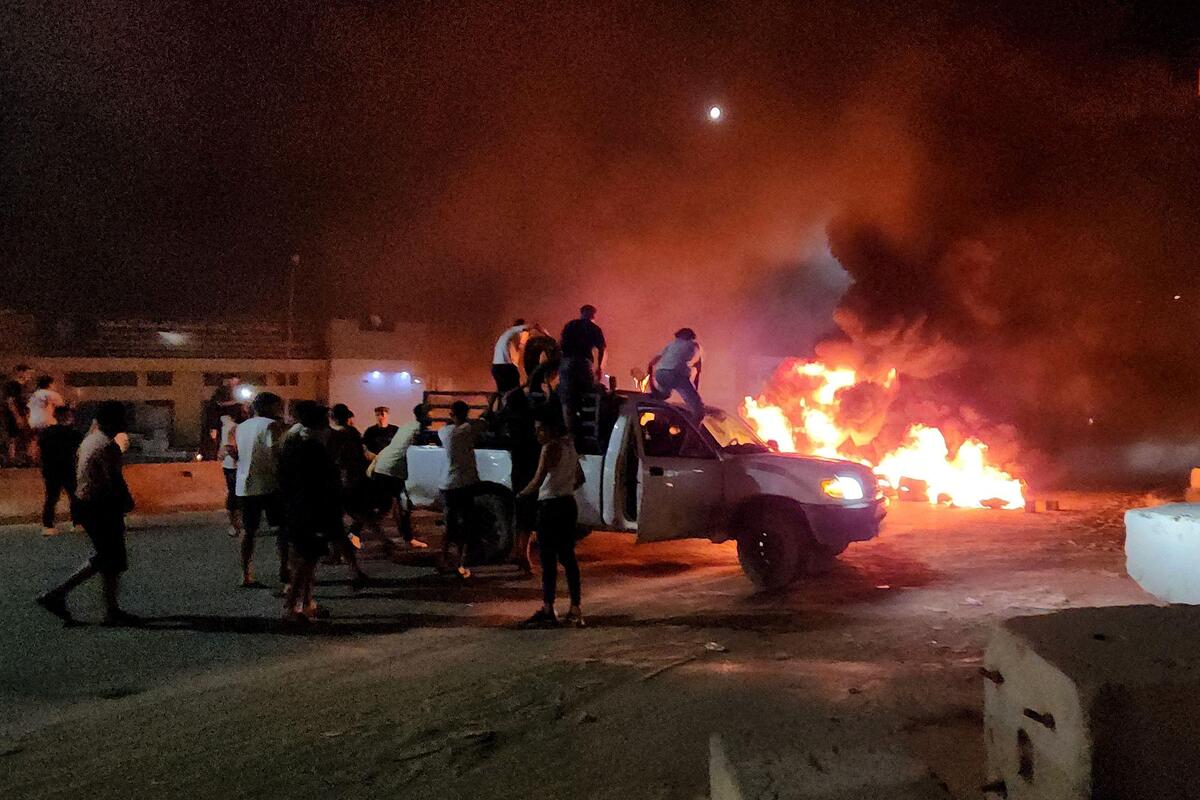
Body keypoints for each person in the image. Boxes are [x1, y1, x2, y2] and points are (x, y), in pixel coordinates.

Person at [36, 401, 138, 626]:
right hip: (100, 505)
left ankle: (110, 609)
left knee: (109, 558)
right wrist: (127, 501)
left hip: (88, 504)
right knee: (109, 557)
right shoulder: (107, 445)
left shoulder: (91, 440)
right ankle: (57, 594)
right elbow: (114, 479)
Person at [517, 412, 585, 628]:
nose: (537, 434)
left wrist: (520, 495)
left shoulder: (549, 448)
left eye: (540, 429)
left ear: (552, 430)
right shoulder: (571, 447)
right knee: (568, 558)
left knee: (548, 560)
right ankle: (575, 608)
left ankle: (548, 608)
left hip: (550, 507)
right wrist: (563, 487)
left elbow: (537, 479)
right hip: (567, 504)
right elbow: (580, 479)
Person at [278, 401, 342, 623]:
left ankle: (307, 604)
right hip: (310, 511)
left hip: (296, 509)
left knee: (306, 560)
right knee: (305, 561)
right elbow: (326, 484)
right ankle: (291, 608)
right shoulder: (312, 448)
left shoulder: (292, 443)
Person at [234, 391, 289, 588]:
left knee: (248, 532)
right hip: (269, 484)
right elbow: (276, 455)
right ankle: (284, 569)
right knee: (283, 529)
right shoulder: (271, 426)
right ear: (270, 407)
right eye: (277, 406)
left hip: (245, 485)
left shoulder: (241, 427)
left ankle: (245, 575)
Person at [370, 403, 431, 549]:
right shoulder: (418, 429)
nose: (431, 417)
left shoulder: (407, 426)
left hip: (385, 466)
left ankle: (406, 537)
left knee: (391, 505)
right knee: (391, 506)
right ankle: (355, 532)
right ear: (424, 415)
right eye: (430, 414)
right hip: (392, 469)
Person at [439, 400, 486, 578]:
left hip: (447, 484)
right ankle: (460, 563)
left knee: (449, 524)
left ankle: (443, 559)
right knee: (466, 525)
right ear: (466, 413)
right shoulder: (469, 429)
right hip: (465, 484)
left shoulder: (444, 432)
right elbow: (483, 422)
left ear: (451, 415)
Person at [558, 305, 606, 434]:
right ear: (593, 315)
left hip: (566, 363)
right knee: (587, 394)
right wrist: (599, 368)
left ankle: (570, 434)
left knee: (567, 399)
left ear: (581, 313)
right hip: (583, 364)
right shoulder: (594, 328)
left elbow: (560, 344)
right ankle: (586, 431)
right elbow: (602, 349)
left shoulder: (570, 325)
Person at [37, 405, 82, 537]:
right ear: (68, 417)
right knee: (74, 496)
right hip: (68, 469)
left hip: (50, 469)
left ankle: (48, 525)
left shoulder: (46, 433)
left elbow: (40, 450)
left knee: (51, 497)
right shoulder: (73, 433)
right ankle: (77, 522)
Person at [652, 328, 705, 419]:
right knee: (697, 406)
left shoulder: (671, 344)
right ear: (691, 337)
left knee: (663, 396)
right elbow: (697, 365)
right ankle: (695, 426)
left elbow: (654, 360)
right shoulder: (692, 345)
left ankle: (652, 406)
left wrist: (650, 372)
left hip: (660, 373)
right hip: (675, 375)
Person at [218, 404, 248, 538]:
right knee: (237, 495)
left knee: (234, 494)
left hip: (228, 464)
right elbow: (229, 447)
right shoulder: (234, 427)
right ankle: (236, 524)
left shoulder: (226, 425)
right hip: (234, 465)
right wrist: (240, 459)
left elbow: (223, 446)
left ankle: (236, 524)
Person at [3, 364, 33, 466]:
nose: (29, 376)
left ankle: (25, 459)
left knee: (25, 438)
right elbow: (10, 401)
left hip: (23, 415)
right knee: (13, 438)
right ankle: (11, 460)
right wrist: (17, 417)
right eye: (28, 373)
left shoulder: (23, 387)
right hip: (14, 416)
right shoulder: (13, 385)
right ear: (21, 373)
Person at [492, 318, 529, 392]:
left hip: (503, 367)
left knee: (503, 390)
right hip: (508, 367)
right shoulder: (516, 335)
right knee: (513, 390)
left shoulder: (509, 335)